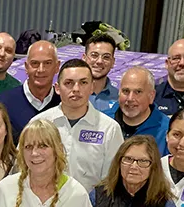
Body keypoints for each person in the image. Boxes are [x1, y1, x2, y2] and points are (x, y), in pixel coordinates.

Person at [28, 59, 124, 190]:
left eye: (83, 83)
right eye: (69, 83)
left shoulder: (109, 129)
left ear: (91, 87)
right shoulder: (39, 123)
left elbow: (113, 181)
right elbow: (23, 169)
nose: (76, 89)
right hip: (42, 206)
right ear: (57, 88)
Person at [0, 40, 62, 138]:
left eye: (47, 63)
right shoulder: (2, 104)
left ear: (57, 67)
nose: (41, 70)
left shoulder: (65, 103)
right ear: (26, 67)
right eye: (35, 63)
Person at [114, 67, 170, 153]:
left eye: (138, 92)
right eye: (126, 91)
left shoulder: (167, 130)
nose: (130, 98)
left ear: (151, 96)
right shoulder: (103, 122)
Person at [84, 35, 120, 117]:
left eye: (106, 57)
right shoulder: (71, 94)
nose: (99, 61)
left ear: (113, 62)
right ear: (84, 58)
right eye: (94, 55)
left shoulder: (120, 99)